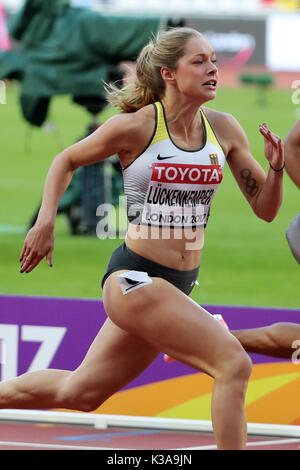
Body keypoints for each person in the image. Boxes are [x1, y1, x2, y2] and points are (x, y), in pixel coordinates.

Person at [4, 27, 284, 450]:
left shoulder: (224, 130)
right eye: (200, 61)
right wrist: (44, 223)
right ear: (169, 74)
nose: (213, 69)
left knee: (80, 393)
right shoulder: (137, 127)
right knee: (232, 363)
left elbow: (265, 209)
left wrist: (276, 170)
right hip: (134, 280)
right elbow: (66, 160)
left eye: (213, 59)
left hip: (177, 287)